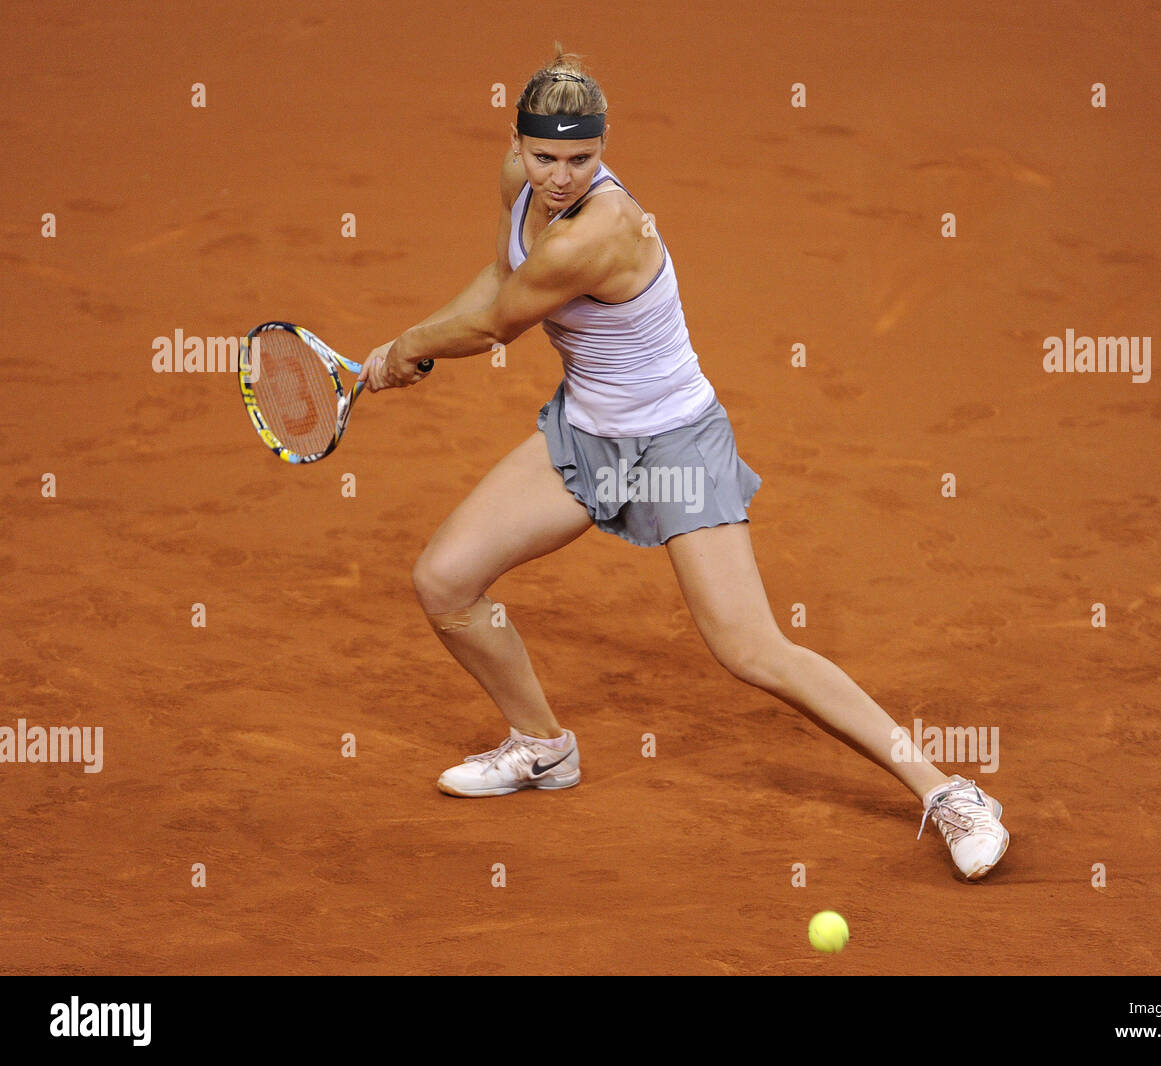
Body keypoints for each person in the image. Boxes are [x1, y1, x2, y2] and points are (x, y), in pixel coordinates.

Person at [358, 49, 1009, 881]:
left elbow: (495, 327)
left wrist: (406, 350)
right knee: (445, 581)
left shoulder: (602, 230)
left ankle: (949, 792)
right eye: (543, 156)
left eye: (581, 159)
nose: (559, 177)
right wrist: (400, 348)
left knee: (751, 649)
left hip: (674, 446)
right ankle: (543, 746)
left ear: (604, 150)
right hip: (587, 438)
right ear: (518, 146)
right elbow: (498, 277)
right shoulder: (515, 185)